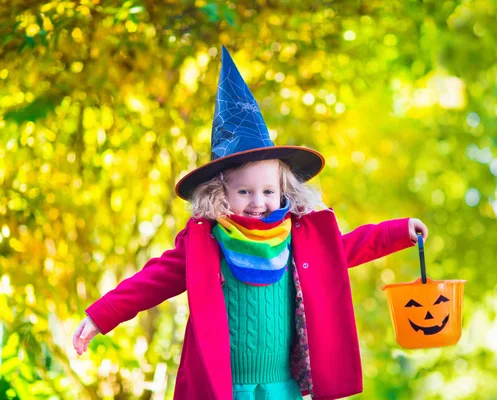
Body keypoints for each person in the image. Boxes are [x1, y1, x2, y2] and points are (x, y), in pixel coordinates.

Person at [72, 46, 428, 400]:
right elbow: (152, 280)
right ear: (220, 191)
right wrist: (100, 317)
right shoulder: (207, 241)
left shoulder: (297, 238)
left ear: (283, 190)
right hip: (224, 388)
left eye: (268, 191)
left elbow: (350, 246)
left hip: (280, 387)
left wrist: (399, 232)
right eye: (244, 191)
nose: (258, 202)